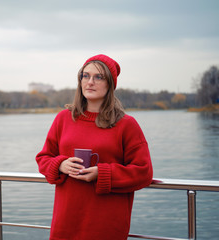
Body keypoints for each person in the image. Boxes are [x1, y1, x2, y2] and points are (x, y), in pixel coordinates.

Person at [36, 54, 153, 240]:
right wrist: (60, 165)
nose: (90, 82)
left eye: (99, 77)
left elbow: (144, 171)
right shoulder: (63, 119)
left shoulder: (126, 124)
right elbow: (43, 158)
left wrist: (103, 174)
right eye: (85, 76)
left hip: (106, 224)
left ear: (110, 85)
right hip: (65, 222)